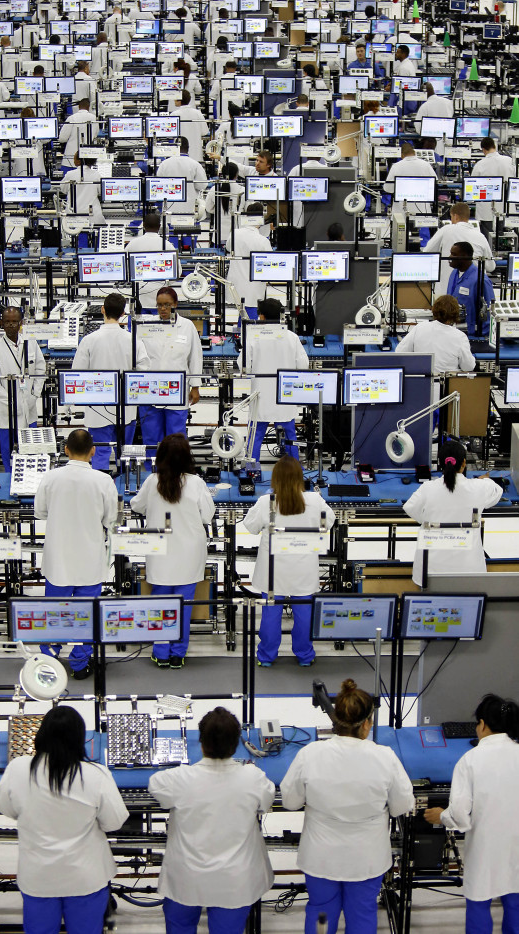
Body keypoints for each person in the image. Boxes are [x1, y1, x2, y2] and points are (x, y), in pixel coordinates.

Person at [281, 678, 415, 934]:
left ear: (337, 721)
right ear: (367, 724)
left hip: (320, 858)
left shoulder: (311, 754)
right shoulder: (384, 757)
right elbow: (402, 805)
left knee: (321, 912)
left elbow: (290, 801)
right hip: (366, 859)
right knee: (362, 914)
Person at [0, 706, 129, 934]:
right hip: (86, 878)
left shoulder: (18, 769)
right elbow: (114, 822)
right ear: (79, 739)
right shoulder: (96, 775)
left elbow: (4, 807)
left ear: (41, 735)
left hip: (38, 877)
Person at [148, 706, 275, 933]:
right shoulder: (253, 778)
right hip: (235, 880)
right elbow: (266, 801)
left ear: (201, 742)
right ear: (236, 744)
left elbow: (154, 785)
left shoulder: (179, 779)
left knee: (180, 925)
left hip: (186, 877)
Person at [424, 693, 519, 934]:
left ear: (483, 724)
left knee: (479, 902)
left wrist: (442, 816)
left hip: (486, 847)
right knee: (515, 903)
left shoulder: (470, 760)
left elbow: (461, 816)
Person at [34, 430, 117, 678]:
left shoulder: (50, 478)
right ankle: (80, 665)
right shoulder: (103, 481)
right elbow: (111, 519)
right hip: (89, 561)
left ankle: (48, 660)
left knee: (55, 612)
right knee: (86, 614)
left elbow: (40, 512)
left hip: (58, 561)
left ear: (66, 450)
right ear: (93, 451)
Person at [130, 434, 215, 667]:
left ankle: (161, 651)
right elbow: (208, 515)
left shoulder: (152, 481)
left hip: (161, 553)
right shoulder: (196, 483)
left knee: (161, 603)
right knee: (183, 604)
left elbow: (136, 505)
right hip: (189, 554)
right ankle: (179, 653)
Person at [244, 456, 335, 667]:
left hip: (273, 572)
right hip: (303, 571)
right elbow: (328, 522)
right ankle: (304, 655)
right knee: (304, 614)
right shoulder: (314, 500)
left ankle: (267, 656)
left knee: (271, 615)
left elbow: (250, 526)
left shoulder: (267, 502)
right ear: (299, 478)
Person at [403, 439, 502, 586]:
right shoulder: (479, 488)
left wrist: (427, 519)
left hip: (430, 571)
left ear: (440, 463)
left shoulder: (428, 488)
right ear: (463, 463)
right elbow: (497, 491)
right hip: (469, 571)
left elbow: (410, 508)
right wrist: (484, 480)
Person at [71, 293, 149, 469]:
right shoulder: (133, 340)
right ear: (123, 314)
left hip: (97, 409)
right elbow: (144, 372)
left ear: (102, 310)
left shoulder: (89, 340)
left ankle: (100, 492)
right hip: (126, 410)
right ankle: (124, 488)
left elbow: (77, 374)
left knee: (99, 454)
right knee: (125, 455)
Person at [137, 287, 202, 456]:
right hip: (149, 391)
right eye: (159, 305)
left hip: (176, 391)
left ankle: (177, 470)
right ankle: (154, 472)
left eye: (167, 305)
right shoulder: (146, 325)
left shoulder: (187, 326)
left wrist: (195, 387)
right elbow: (136, 357)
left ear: (176, 305)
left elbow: (195, 357)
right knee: (151, 437)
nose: (163, 309)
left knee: (176, 436)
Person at [243, 298, 309, 462]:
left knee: (255, 437)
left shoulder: (253, 337)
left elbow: (244, 366)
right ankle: (296, 471)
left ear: (262, 317)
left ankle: (252, 471)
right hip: (285, 395)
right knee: (290, 435)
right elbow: (303, 365)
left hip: (261, 397)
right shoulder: (291, 337)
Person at [0, 306, 46, 471]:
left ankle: (30, 480)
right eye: (7, 322)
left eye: (14, 322)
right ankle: (11, 482)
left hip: (30, 409)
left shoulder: (31, 343)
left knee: (32, 451)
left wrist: (35, 394)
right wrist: (8, 399)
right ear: (1, 323)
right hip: (7, 412)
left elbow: (40, 369)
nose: (11, 325)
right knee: (9, 453)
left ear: (21, 323)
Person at [423, 202, 495, 296]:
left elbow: (427, 252)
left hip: (446, 294)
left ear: (455, 216)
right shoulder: (480, 236)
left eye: (451, 217)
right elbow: (491, 266)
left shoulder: (446, 230)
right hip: (473, 294)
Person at [395, 295, 476, 373]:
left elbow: (399, 353)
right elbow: (468, 367)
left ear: (434, 310)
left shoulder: (419, 328)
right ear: (455, 314)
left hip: (421, 384)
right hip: (447, 385)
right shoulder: (460, 337)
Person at [125, 214, 178, 312]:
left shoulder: (132, 244)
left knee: (137, 324)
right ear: (159, 226)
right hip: (160, 296)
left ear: (143, 225)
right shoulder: (167, 245)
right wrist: (165, 284)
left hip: (138, 294)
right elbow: (177, 273)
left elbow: (125, 268)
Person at [226, 204, 272, 318]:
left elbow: (228, 248)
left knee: (242, 313)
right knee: (250, 319)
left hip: (235, 284)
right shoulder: (262, 241)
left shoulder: (234, 233)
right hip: (253, 287)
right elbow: (270, 263)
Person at [446, 241, 495, 338]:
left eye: (454, 254)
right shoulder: (454, 274)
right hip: (453, 332)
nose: (450, 256)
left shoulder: (481, 280)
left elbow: (489, 312)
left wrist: (482, 339)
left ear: (464, 256)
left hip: (473, 336)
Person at [471, 137, 515, 241]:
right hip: (507, 207)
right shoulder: (509, 161)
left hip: (487, 209)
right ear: (495, 147)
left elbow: (472, 186)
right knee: (507, 240)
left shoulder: (480, 164)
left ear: (483, 149)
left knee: (488, 241)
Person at [156, 137, 207, 215]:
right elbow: (202, 186)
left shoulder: (164, 164)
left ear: (174, 147)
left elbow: (158, 185)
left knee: (170, 224)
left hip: (169, 207)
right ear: (188, 148)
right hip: (190, 207)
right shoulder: (195, 164)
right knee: (190, 226)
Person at [384, 143, 437, 214]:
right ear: (414, 153)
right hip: (422, 210)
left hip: (401, 209)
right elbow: (436, 183)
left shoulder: (396, 166)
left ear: (402, 155)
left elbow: (388, 188)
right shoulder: (425, 165)